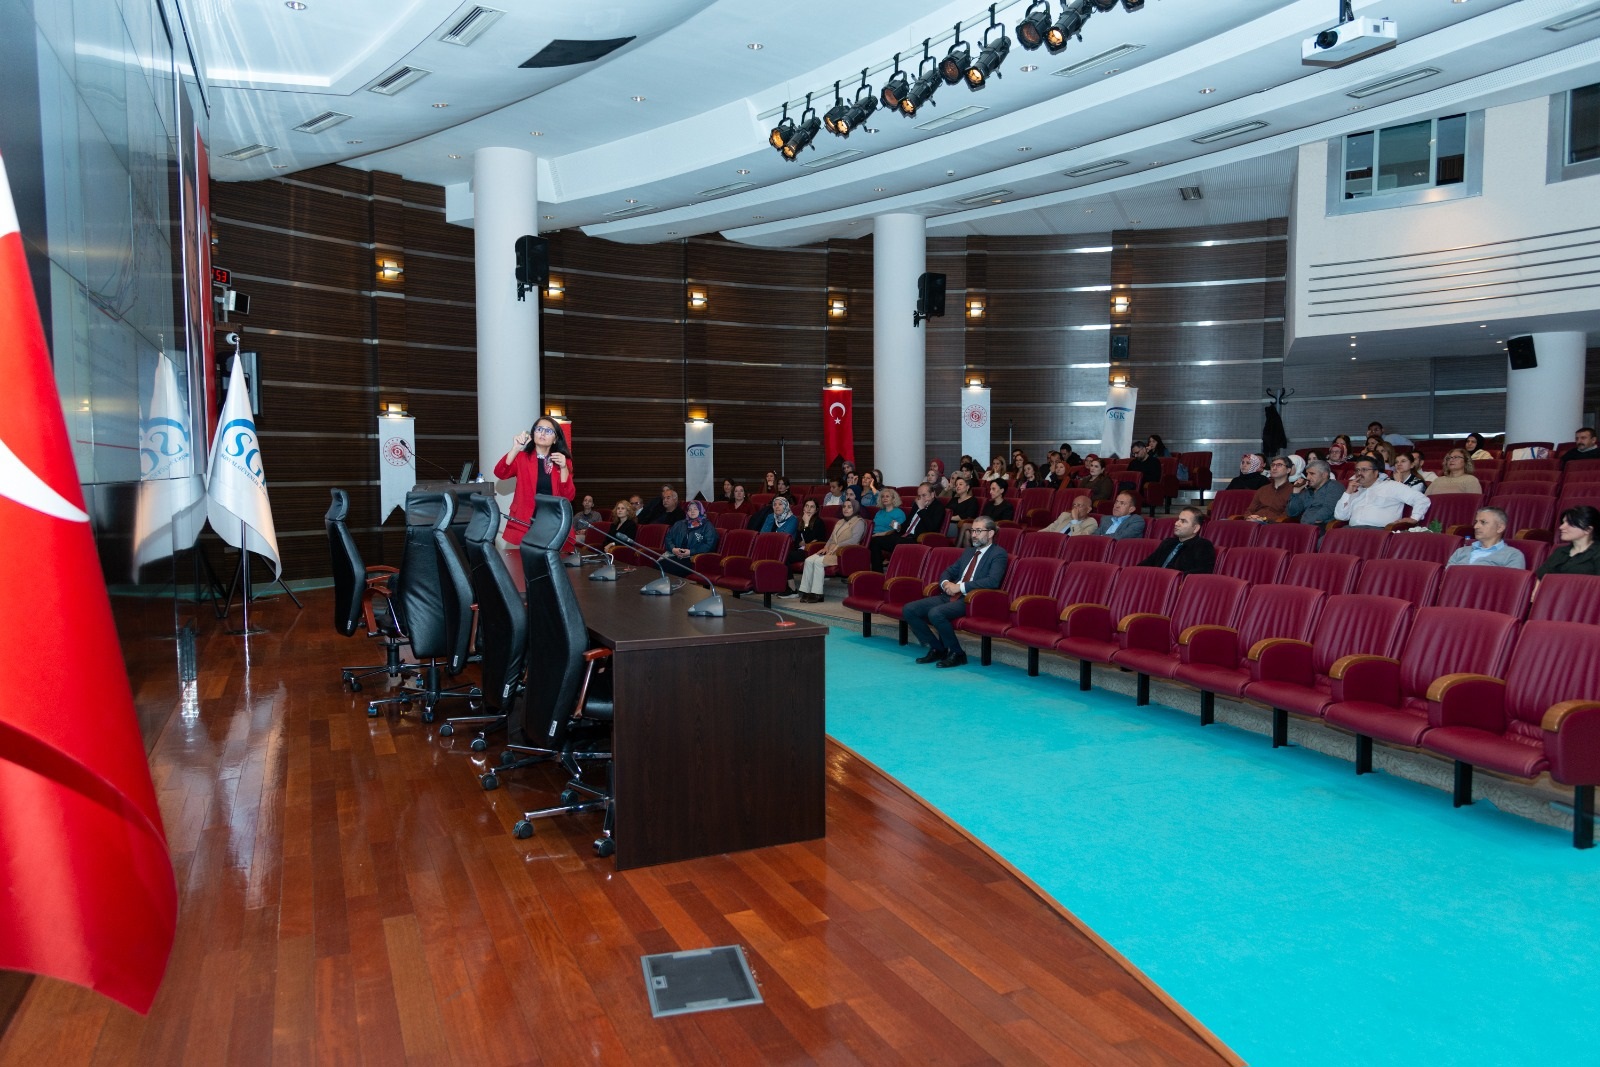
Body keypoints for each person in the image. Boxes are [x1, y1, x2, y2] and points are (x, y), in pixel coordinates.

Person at [903, 517, 1008, 669]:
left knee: (936, 613)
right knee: (909, 609)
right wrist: (946, 583)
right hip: (950, 595)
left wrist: (960, 587)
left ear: (990, 533)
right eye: (973, 531)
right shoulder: (969, 552)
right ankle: (937, 648)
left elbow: (992, 581)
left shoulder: (998, 553)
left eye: (978, 531)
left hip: (972, 600)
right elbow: (949, 571)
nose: (974, 535)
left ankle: (957, 653)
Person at [493, 415, 576, 547]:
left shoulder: (563, 461)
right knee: (523, 559)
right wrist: (515, 448)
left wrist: (564, 467)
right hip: (526, 521)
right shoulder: (521, 458)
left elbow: (568, 496)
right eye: (539, 429)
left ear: (555, 439)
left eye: (548, 431)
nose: (543, 433)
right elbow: (500, 473)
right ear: (533, 434)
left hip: (554, 523)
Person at [784, 498, 867, 603]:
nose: (846, 509)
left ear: (855, 508)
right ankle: (806, 591)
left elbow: (854, 540)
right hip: (831, 551)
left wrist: (838, 546)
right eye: (844, 506)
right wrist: (826, 547)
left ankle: (817, 593)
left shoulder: (859, 522)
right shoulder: (840, 521)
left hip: (844, 553)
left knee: (818, 562)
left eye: (849, 507)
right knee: (809, 560)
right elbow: (831, 539)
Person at [1334, 454, 1431, 528]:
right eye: (1357, 470)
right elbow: (1340, 516)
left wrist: (1414, 518)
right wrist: (1347, 493)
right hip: (1352, 531)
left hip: (1379, 533)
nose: (1359, 473)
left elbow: (1421, 499)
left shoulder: (1391, 486)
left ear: (1376, 472)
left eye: (1364, 470)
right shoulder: (1355, 492)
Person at [868, 484, 944, 570]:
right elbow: (907, 523)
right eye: (919, 496)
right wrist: (898, 527)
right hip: (904, 536)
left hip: (916, 539)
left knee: (897, 541)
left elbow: (932, 528)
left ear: (932, 494)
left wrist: (922, 509)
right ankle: (878, 573)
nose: (921, 498)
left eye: (924, 495)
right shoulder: (916, 505)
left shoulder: (938, 507)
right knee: (875, 541)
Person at [1139, 507, 1214, 574]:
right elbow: (1147, 563)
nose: (1176, 523)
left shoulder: (1203, 545)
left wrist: (1174, 578)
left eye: (1183, 521)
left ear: (1196, 528)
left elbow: (1202, 572)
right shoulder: (1168, 542)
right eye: (1178, 519)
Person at [1446, 508, 1525, 569]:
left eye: (1483, 522)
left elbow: (1511, 584)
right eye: (1476, 522)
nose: (1476, 526)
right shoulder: (1461, 551)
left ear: (1500, 528)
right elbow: (1446, 578)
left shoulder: (1512, 555)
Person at [1536, 505, 1600, 577]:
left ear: (1588, 530)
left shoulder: (1597, 553)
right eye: (1563, 523)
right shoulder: (1560, 551)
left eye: (1569, 523)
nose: (1561, 527)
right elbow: (1541, 578)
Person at [662, 500, 719, 577]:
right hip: (675, 554)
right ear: (687, 512)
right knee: (659, 565)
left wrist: (690, 552)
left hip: (693, 558)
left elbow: (709, 545)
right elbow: (668, 538)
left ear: (701, 510)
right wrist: (673, 549)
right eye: (690, 509)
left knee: (671, 568)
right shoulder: (679, 524)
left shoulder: (707, 526)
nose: (692, 511)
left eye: (695, 509)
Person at [1287, 459, 1342, 528]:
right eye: (1307, 474)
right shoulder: (1308, 490)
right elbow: (1292, 513)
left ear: (1324, 475)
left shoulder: (1334, 487)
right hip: (1305, 526)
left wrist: (1306, 522)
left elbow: (1327, 510)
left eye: (1312, 474)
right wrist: (1296, 492)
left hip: (1323, 528)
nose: (1308, 477)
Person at [1242, 456, 1294, 522]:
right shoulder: (1263, 489)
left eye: (1279, 465)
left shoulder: (1294, 491)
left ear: (1288, 470)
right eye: (1272, 465)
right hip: (1254, 521)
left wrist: (1264, 519)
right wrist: (1249, 517)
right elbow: (1250, 510)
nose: (1274, 468)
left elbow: (1287, 516)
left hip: (1274, 525)